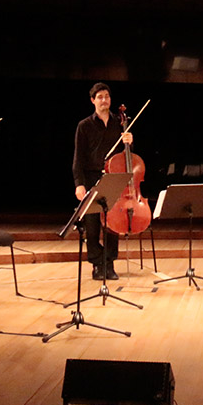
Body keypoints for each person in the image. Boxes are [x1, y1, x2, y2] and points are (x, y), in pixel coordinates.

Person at [72, 82, 132, 281]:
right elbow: (78, 158)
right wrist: (79, 183)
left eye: (107, 96)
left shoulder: (120, 123)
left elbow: (127, 156)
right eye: (100, 97)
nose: (104, 100)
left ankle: (109, 263)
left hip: (113, 177)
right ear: (93, 100)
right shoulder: (84, 125)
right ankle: (98, 263)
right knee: (92, 225)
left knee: (112, 223)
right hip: (91, 177)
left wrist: (129, 141)